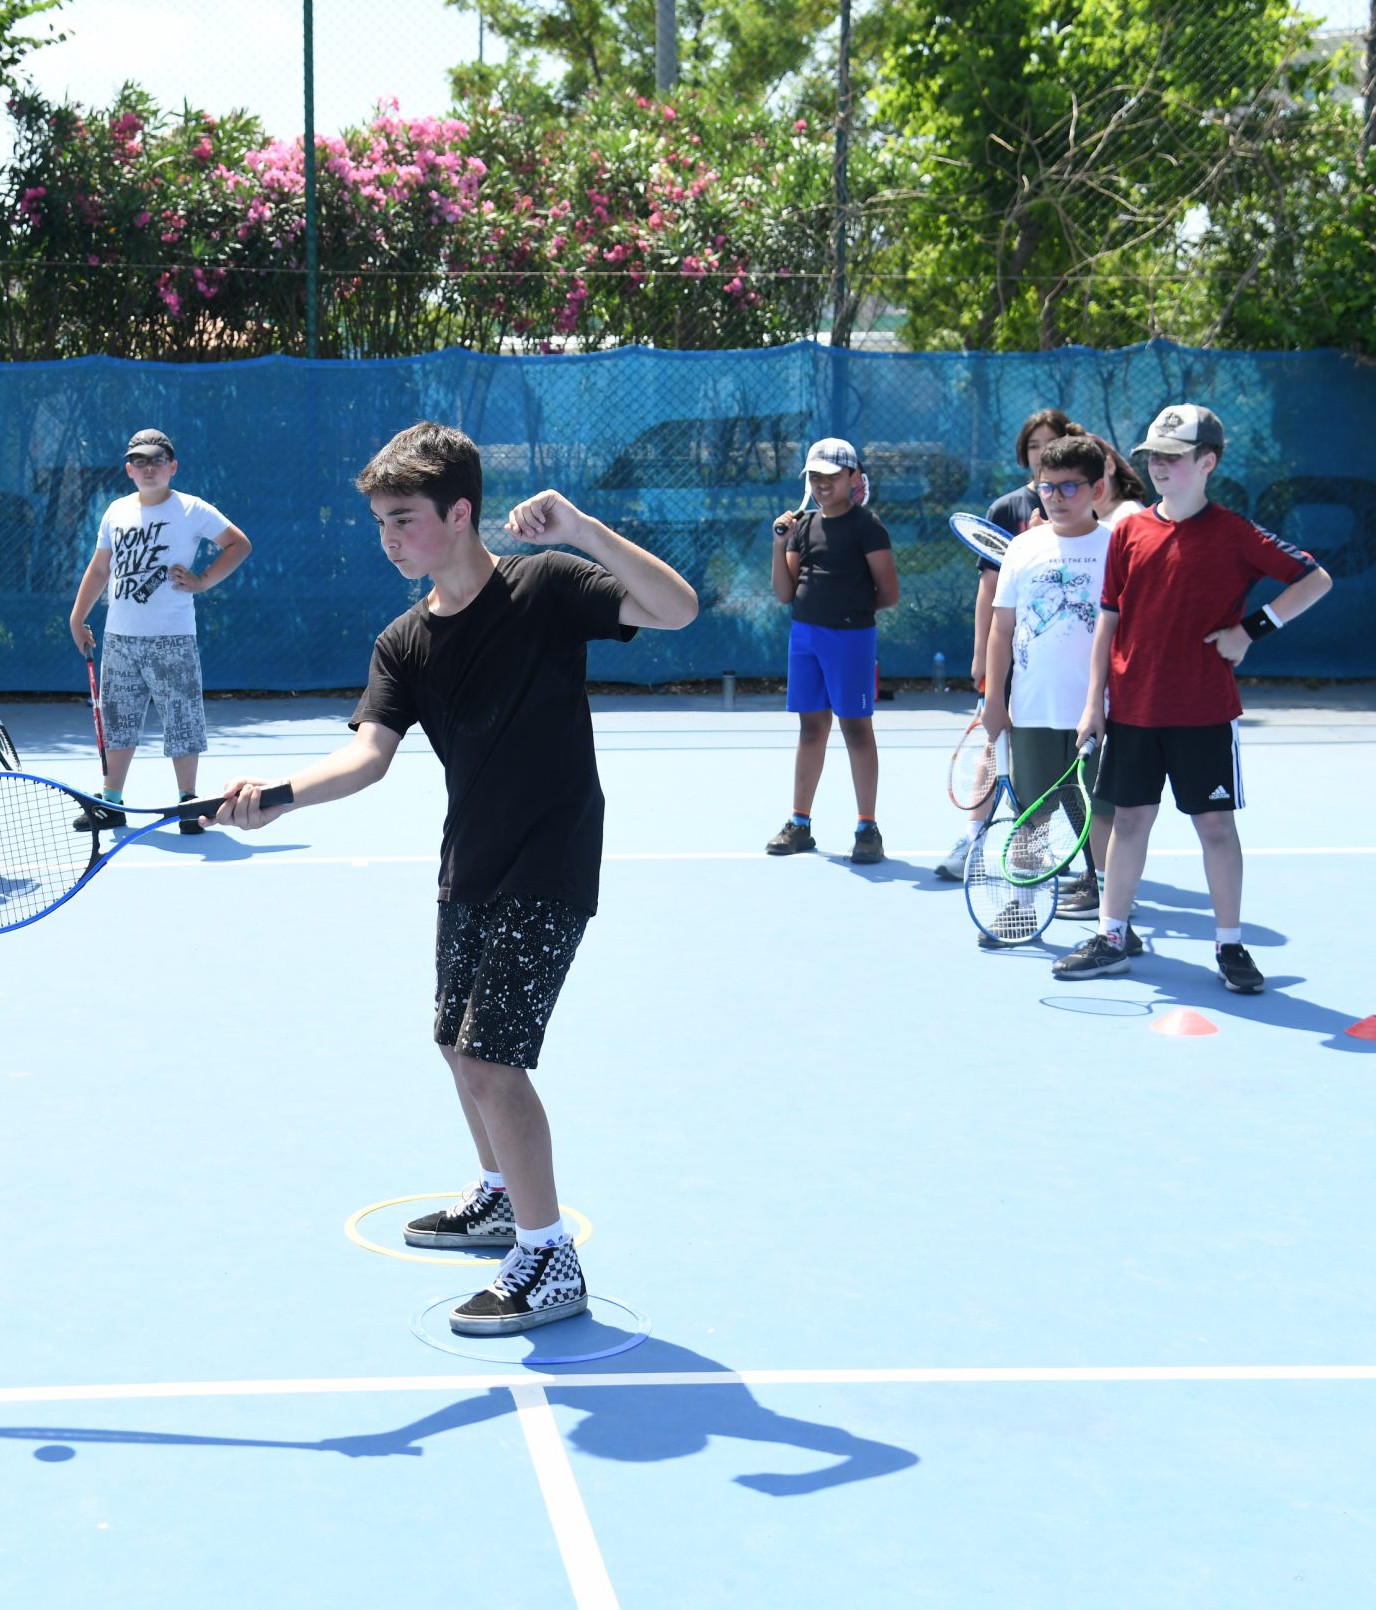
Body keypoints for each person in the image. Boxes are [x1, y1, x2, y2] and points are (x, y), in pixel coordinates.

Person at [213, 422, 698, 1335]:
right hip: (468, 860)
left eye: (404, 519)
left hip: (550, 860)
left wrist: (584, 529)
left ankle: (549, 1256)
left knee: (492, 1057)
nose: (389, 538)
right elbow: (366, 758)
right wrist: (273, 794)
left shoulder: (546, 587)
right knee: (455, 1041)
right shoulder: (404, 641)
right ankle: (501, 1195)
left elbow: (677, 610)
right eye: (381, 524)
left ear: (461, 512)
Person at [1056, 404, 1335, 991]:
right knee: (1129, 823)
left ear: (1207, 462)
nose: (1160, 466)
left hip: (1204, 712)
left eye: (1174, 457)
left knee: (1214, 826)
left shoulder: (1234, 535)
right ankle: (1111, 939)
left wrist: (1251, 631)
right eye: (1154, 456)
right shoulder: (1129, 530)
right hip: (1132, 708)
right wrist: (1092, 703)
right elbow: (1108, 620)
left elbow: (1315, 579)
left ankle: (1230, 947)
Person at [66, 428, 251, 831]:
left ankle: (189, 802)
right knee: (117, 718)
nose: (149, 469)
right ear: (130, 469)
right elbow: (100, 568)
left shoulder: (191, 509)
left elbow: (238, 544)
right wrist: (77, 617)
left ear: (172, 467)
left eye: (157, 461)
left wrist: (202, 581)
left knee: (182, 718)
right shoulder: (116, 511)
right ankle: (111, 801)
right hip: (120, 639)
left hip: (173, 637)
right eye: (140, 462)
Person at [981, 434, 1117, 929]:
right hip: (1033, 710)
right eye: (1047, 487)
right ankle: (1021, 905)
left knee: (1101, 817)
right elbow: (1002, 627)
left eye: (1069, 487)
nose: (1056, 497)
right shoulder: (1022, 548)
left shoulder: (1117, 547)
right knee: (1032, 816)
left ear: (1098, 489)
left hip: (1101, 712)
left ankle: (1112, 921)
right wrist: (995, 699)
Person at [939, 407, 1077, 881]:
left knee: (1064, 759)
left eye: (1050, 443)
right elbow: (990, 592)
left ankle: (1056, 853)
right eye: (1034, 445)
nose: (1041, 453)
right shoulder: (1006, 508)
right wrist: (982, 654)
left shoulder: (1081, 513)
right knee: (994, 744)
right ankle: (973, 839)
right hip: (1011, 655)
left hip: (1059, 660)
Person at [766, 439, 899, 862]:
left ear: (853, 478)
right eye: (815, 476)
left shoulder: (868, 526)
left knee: (856, 729)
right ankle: (799, 824)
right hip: (804, 637)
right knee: (810, 728)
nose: (822, 483)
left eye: (831, 475)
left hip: (851, 640)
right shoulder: (801, 527)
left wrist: (850, 617)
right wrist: (778, 543)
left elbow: (889, 592)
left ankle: (867, 829)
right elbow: (784, 593)